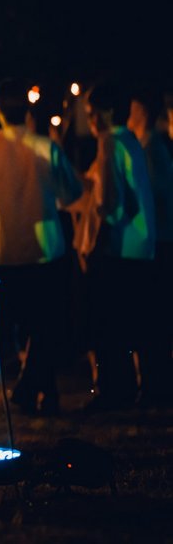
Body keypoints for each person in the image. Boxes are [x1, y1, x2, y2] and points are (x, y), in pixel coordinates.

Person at [0, 79, 81, 416]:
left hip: (10, 248)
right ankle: (42, 390)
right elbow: (71, 194)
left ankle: (30, 388)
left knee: (23, 323)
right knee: (44, 322)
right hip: (47, 245)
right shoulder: (46, 147)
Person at [76, 83, 155, 411]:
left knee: (108, 325)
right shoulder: (129, 140)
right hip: (140, 248)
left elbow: (111, 203)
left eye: (93, 112)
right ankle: (130, 390)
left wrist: (95, 245)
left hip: (118, 248)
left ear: (108, 112)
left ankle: (111, 393)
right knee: (128, 324)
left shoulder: (110, 141)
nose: (90, 119)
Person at [126, 89, 173, 406]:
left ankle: (156, 386)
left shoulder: (151, 149)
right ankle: (154, 385)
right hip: (158, 242)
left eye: (131, 111)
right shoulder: (148, 148)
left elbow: (154, 199)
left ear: (141, 113)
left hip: (159, 244)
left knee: (153, 319)